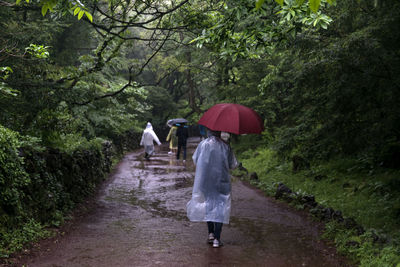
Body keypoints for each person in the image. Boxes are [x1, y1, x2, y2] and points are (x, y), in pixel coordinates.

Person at [186, 129, 238, 248]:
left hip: (205, 181)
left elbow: (195, 160)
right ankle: (217, 239)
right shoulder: (225, 146)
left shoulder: (202, 144)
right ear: (219, 132)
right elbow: (233, 165)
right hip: (222, 181)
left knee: (209, 204)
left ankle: (210, 233)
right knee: (220, 207)